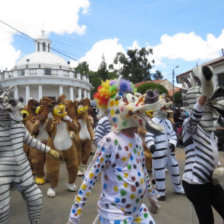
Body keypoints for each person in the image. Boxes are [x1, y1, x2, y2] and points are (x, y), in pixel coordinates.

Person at [67, 77, 160, 224]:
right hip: (114, 212)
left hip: (137, 210)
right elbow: (89, 178)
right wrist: (74, 216)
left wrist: (152, 197)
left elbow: (142, 171)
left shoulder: (136, 139)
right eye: (127, 100)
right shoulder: (110, 141)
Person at [181, 65, 224, 224]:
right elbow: (195, 116)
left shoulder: (211, 130)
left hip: (210, 180)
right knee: (207, 221)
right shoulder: (188, 124)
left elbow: (211, 152)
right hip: (195, 182)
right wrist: (206, 92)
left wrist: (217, 166)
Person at [145, 90, 184, 201]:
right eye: (162, 108)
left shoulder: (167, 122)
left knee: (175, 169)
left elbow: (172, 134)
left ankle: (178, 187)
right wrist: (151, 145)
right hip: (158, 152)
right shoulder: (152, 121)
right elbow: (149, 135)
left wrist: (172, 143)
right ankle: (160, 192)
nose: (165, 110)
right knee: (159, 171)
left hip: (169, 152)